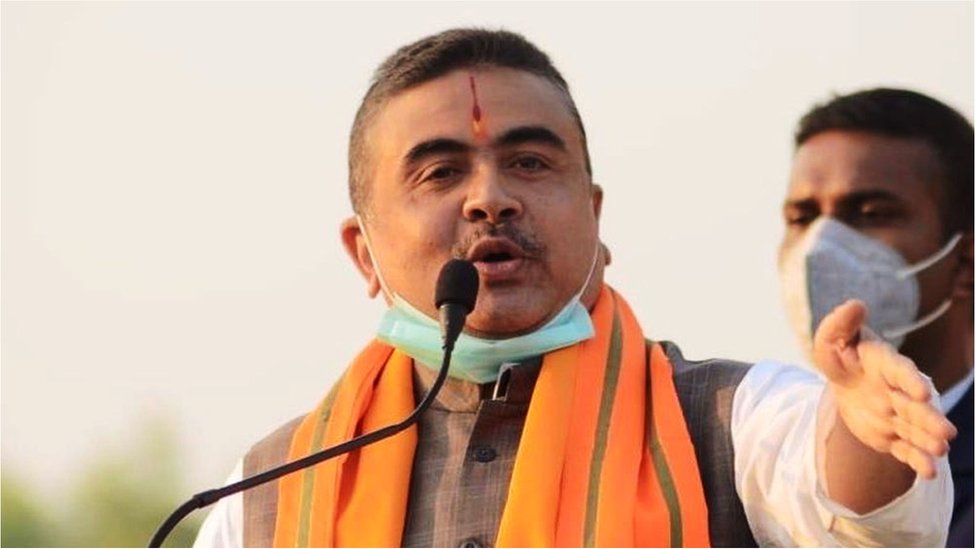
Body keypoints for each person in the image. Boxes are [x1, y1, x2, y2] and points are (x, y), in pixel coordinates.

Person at [194, 29, 955, 547]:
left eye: (529, 163)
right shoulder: (265, 493)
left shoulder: (734, 417)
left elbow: (861, 519)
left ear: (593, 216)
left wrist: (864, 433)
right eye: (441, 171)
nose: (491, 199)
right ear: (363, 253)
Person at [778, 88, 974, 547]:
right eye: (802, 218)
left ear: (965, 262)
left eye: (869, 214)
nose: (819, 248)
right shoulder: (758, 459)